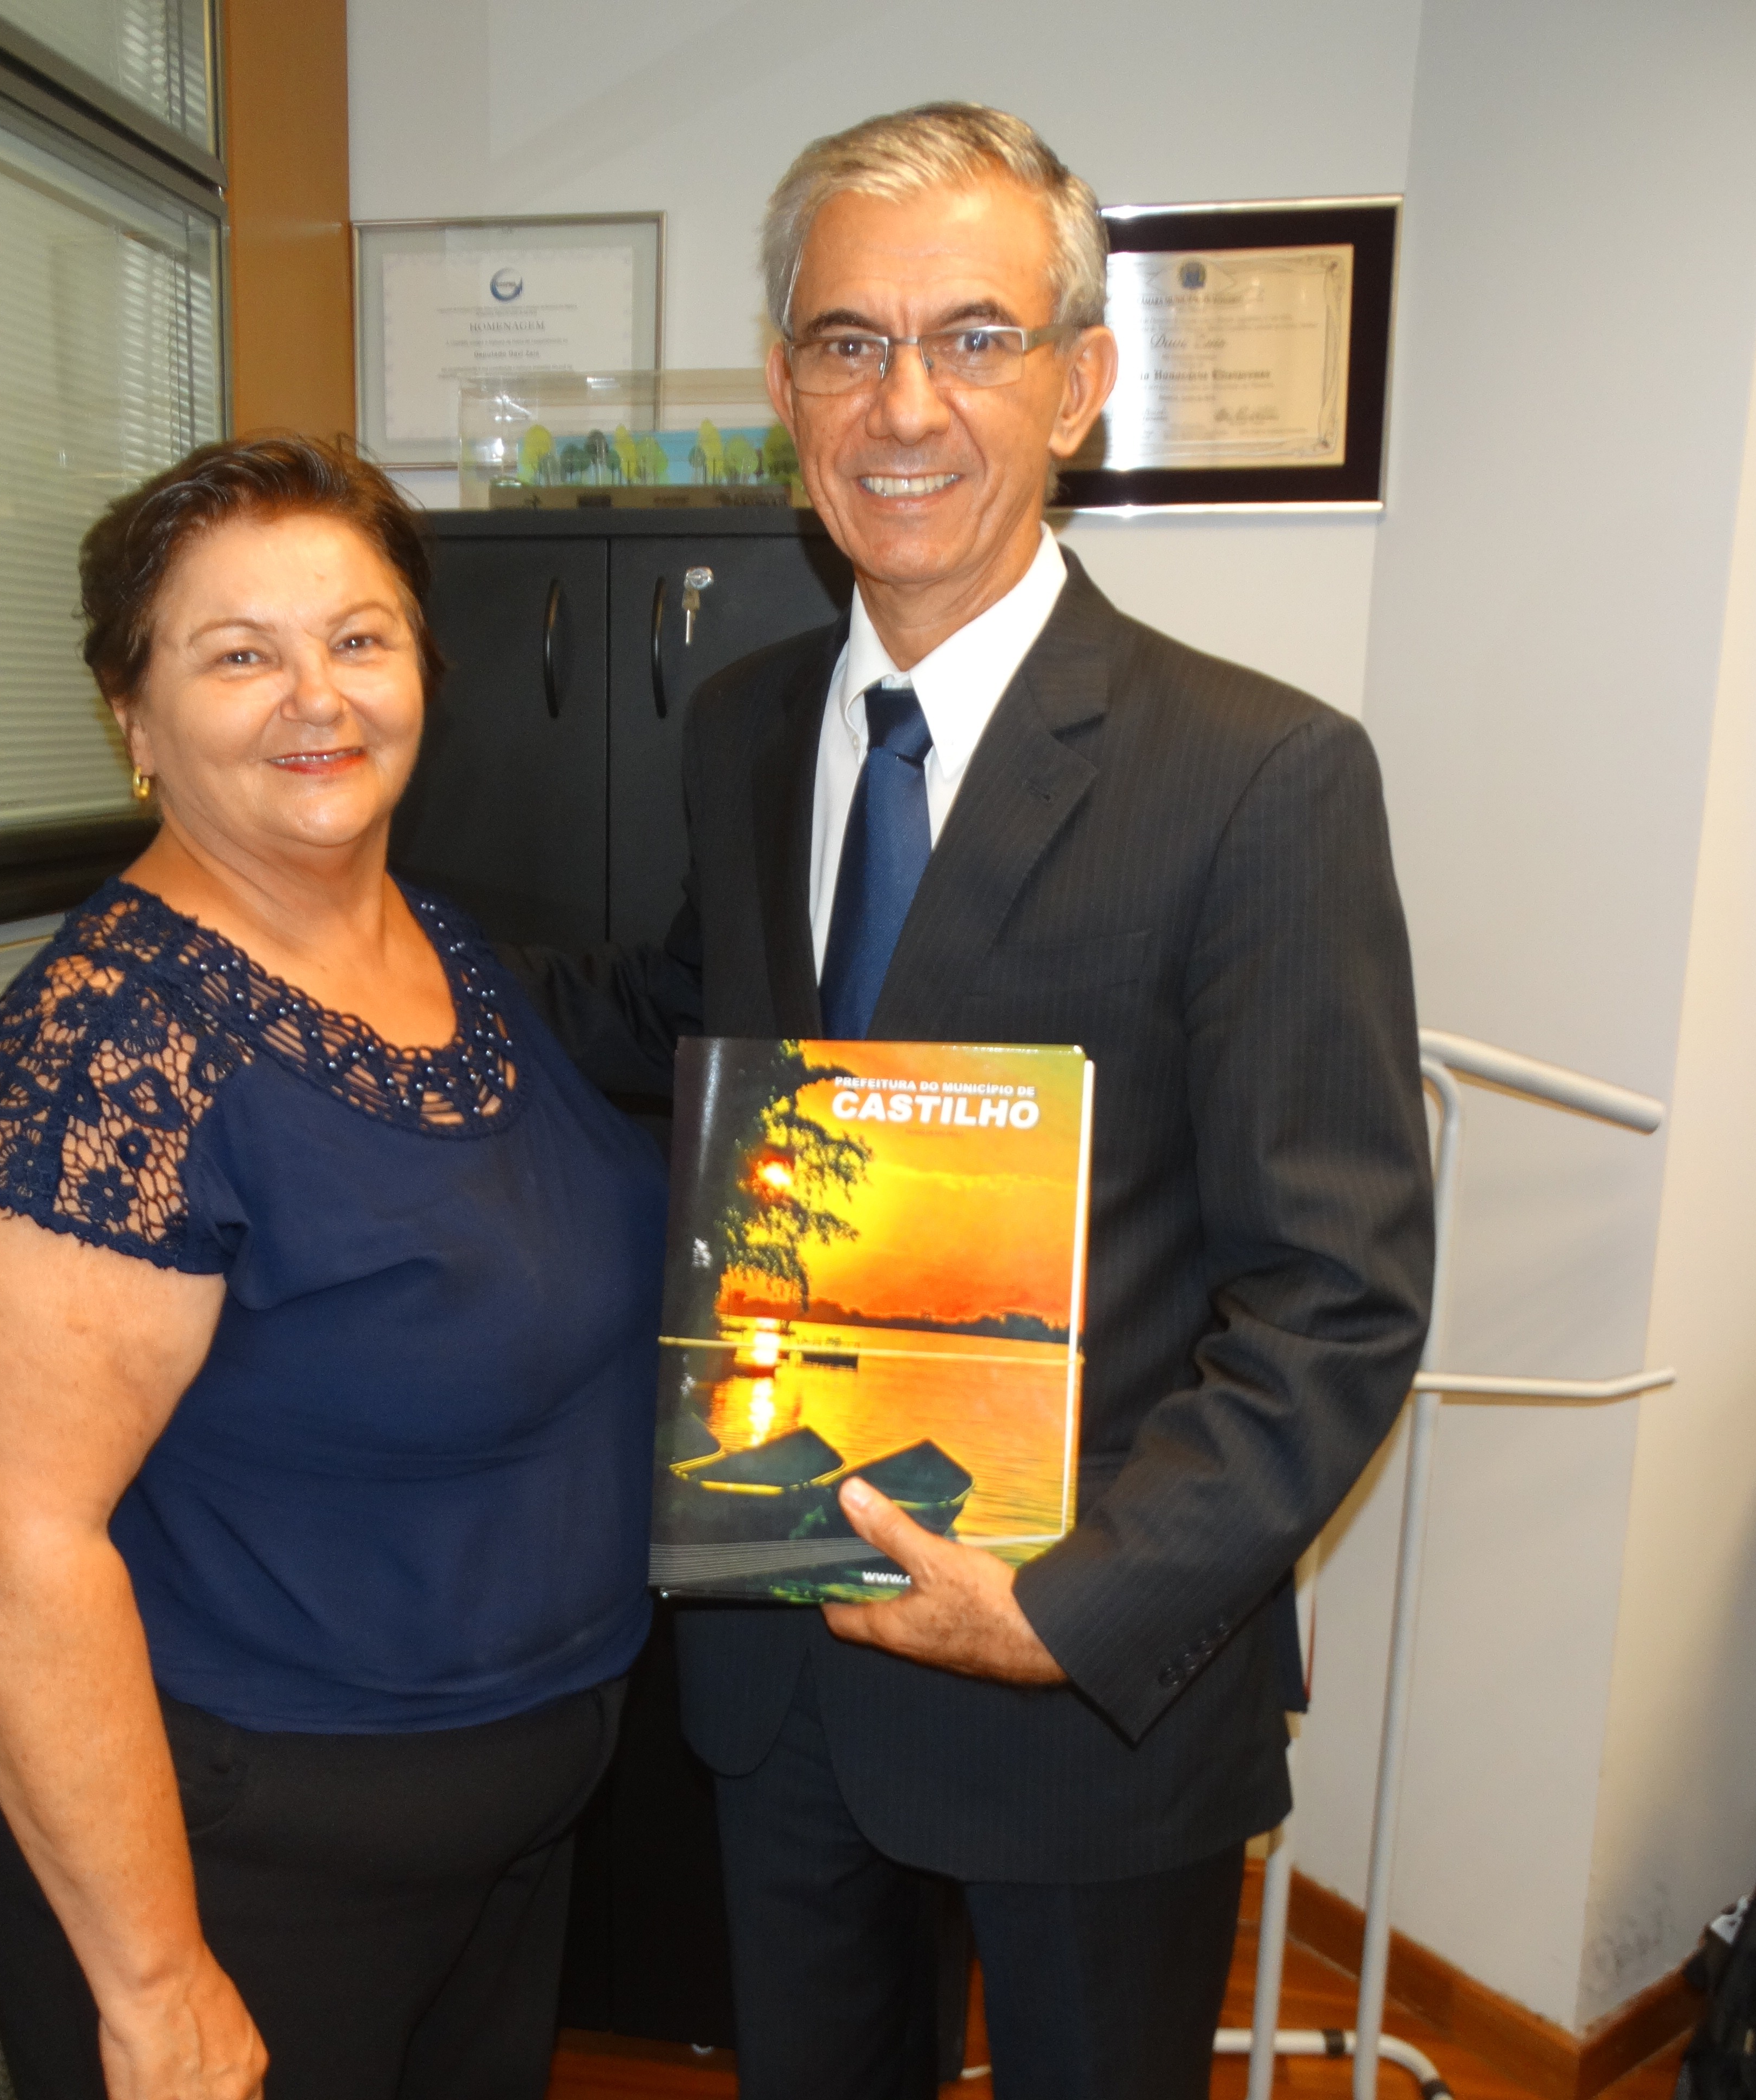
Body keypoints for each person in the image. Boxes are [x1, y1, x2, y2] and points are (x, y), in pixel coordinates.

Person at [513, 105, 1436, 2100]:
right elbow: (697, 1015)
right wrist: (369, 975)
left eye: (975, 338)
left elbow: (1340, 1302)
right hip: (784, 1643)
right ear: (785, 390)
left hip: (1088, 1684)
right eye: (847, 342)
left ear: (1083, 385)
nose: (903, 402)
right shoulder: (751, 725)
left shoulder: (1262, 777)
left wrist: (1067, 1610)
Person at [0, 436, 664, 2100]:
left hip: (503, 1817)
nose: (314, 695)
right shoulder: (103, 1056)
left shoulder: (438, 946)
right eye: (237, 653)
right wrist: (157, 1981)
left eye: (359, 638)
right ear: (134, 717)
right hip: (246, 1863)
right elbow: (3, 1541)